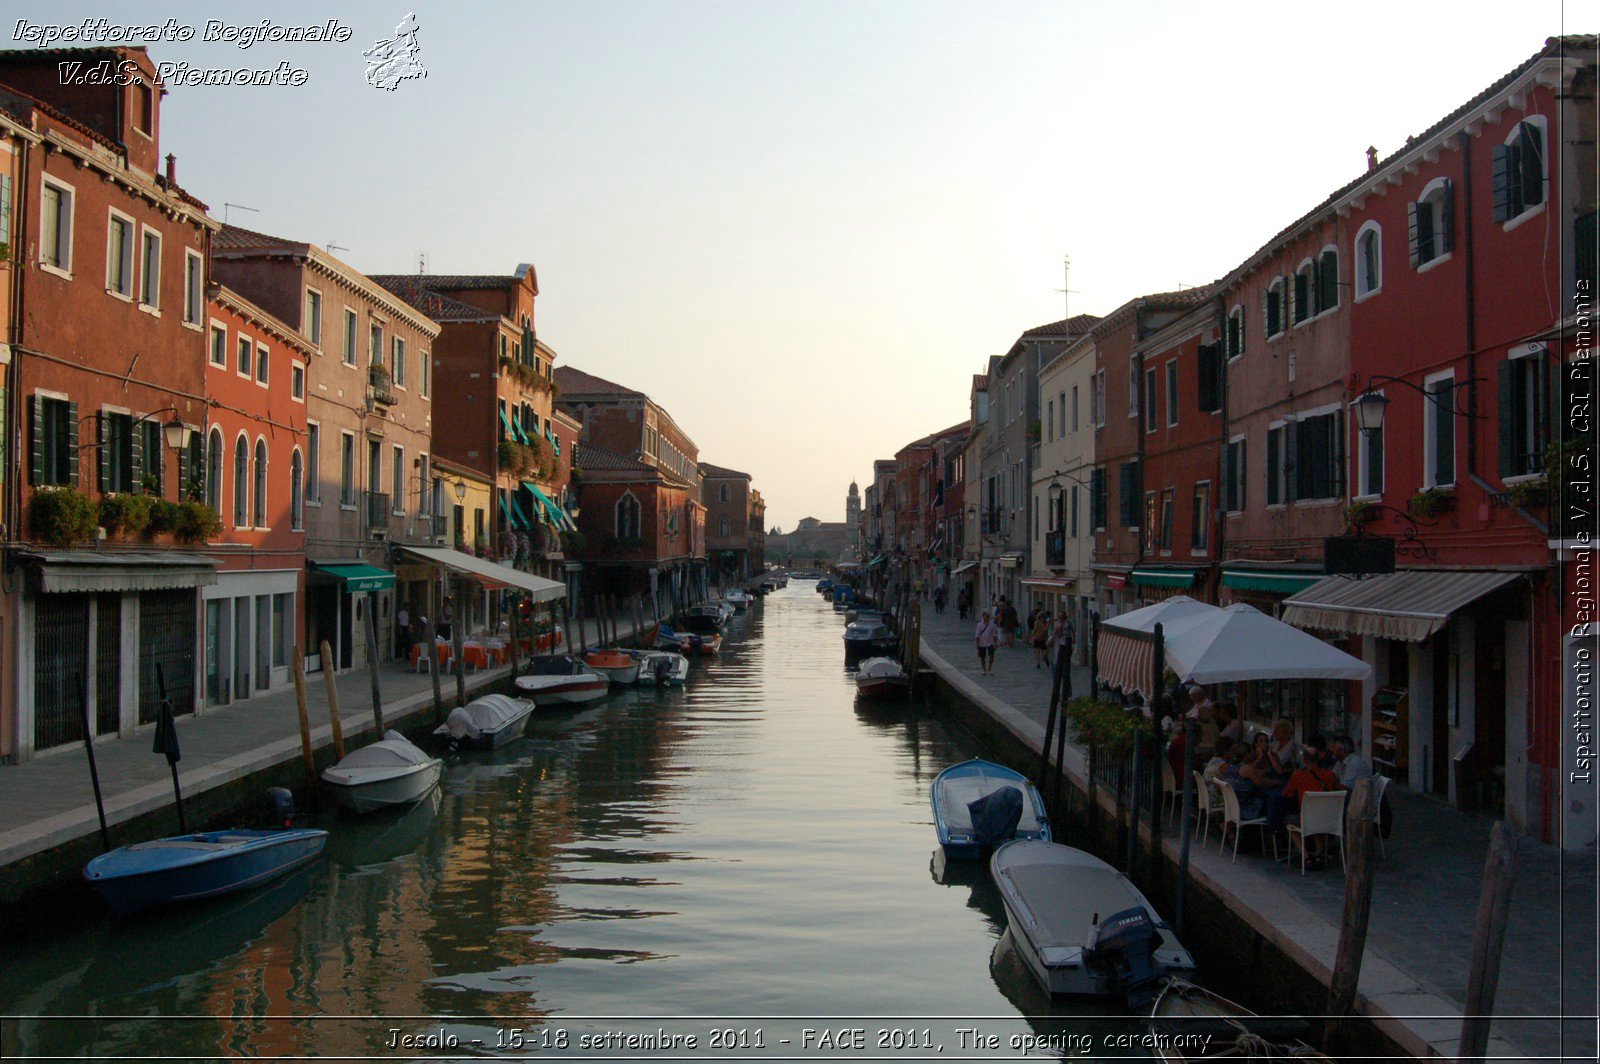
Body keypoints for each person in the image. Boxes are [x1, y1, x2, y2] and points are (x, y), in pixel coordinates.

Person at [974, 609, 1000, 675]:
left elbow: (994, 634)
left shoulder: (992, 625)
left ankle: (989, 668)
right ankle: (984, 669)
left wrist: (996, 643)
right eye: (987, 616)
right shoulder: (979, 625)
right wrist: (977, 644)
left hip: (990, 642)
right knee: (982, 657)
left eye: (989, 616)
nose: (988, 618)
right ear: (983, 617)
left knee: (992, 655)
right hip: (982, 642)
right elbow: (977, 635)